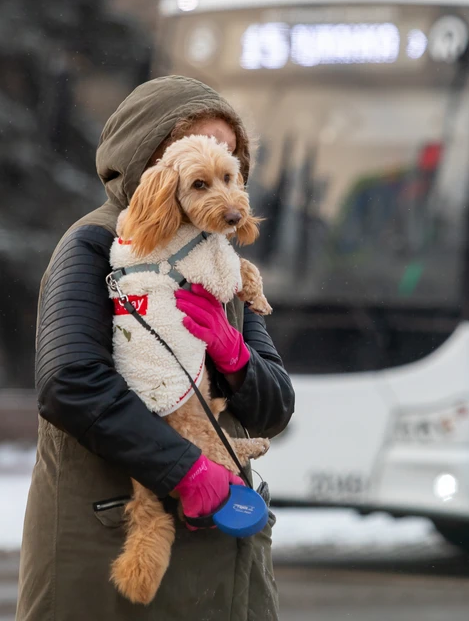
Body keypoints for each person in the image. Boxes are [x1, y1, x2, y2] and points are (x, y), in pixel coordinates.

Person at [16, 76, 294, 621]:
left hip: (226, 554)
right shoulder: (95, 243)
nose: (218, 166)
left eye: (230, 153)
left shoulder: (217, 255)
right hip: (106, 540)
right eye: (196, 145)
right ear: (150, 155)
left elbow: (275, 407)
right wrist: (187, 471)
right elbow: (69, 382)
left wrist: (235, 357)